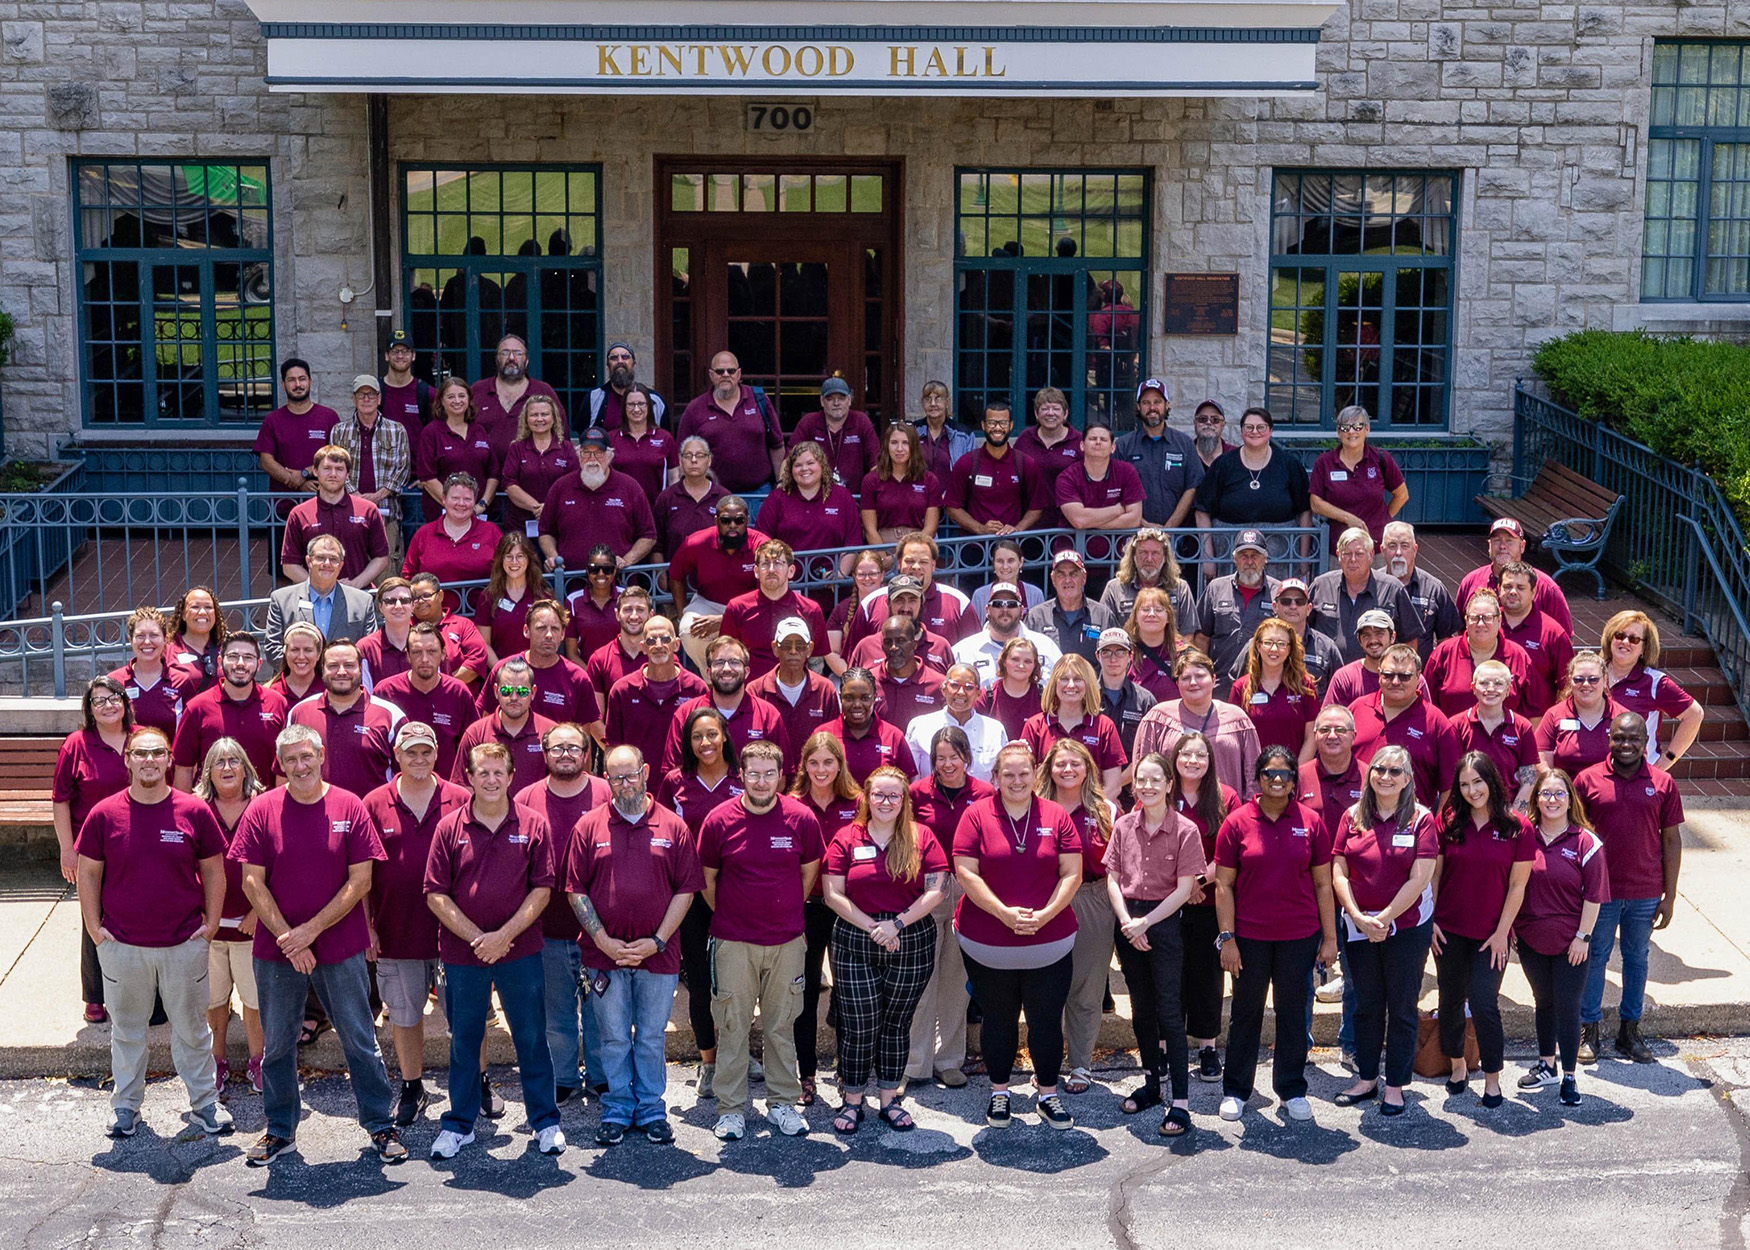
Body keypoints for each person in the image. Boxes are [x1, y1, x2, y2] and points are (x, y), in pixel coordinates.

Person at [233, 724, 402, 1165]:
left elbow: (361, 880)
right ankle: (279, 1130)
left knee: (359, 1039)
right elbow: (252, 881)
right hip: (278, 951)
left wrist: (309, 931)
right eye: (290, 760)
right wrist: (292, 939)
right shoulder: (262, 809)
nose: (299, 766)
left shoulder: (349, 805)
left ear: (321, 754)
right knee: (278, 1045)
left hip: (341, 946)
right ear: (280, 764)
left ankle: (380, 1126)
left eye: (306, 756)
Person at [76, 724, 231, 1139]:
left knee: (193, 1031)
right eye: (140, 753)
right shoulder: (104, 814)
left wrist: (211, 923)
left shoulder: (193, 811)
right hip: (123, 946)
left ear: (169, 760)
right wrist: (95, 928)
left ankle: (204, 1105)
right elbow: (88, 874)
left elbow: (214, 870)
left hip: (183, 944)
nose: (149, 761)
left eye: (157, 753)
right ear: (128, 759)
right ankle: (126, 1107)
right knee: (127, 1031)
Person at [424, 741, 565, 1159]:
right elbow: (435, 893)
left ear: (511, 776)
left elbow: (543, 889)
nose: (490, 780)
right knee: (465, 1039)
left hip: (520, 951)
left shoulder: (533, 823)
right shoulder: (449, 827)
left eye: (498, 773)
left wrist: (504, 936)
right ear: (469, 777)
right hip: (463, 954)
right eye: (482, 773)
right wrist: (478, 939)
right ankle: (460, 1124)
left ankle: (545, 1121)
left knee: (531, 1037)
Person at [565, 744, 700, 1145]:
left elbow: (686, 891)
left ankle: (651, 1108)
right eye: (616, 777)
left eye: (631, 775)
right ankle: (618, 1109)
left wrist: (657, 941)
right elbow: (576, 891)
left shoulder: (673, 827)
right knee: (614, 1036)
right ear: (607, 780)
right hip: (603, 956)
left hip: (659, 956)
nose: (625, 784)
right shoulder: (588, 827)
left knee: (651, 1036)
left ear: (645, 772)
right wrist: (603, 941)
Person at [953, 742, 1084, 1129]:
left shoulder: (1056, 815)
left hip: (1050, 940)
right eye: (1007, 774)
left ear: (1035, 774)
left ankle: (1047, 1095)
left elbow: (1071, 872)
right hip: (988, 942)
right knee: (999, 1019)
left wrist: (1044, 915)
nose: (1016, 780)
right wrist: (1004, 913)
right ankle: (999, 1092)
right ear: (995, 777)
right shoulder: (976, 815)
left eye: (1023, 773)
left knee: (1045, 1020)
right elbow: (966, 873)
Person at [698, 740, 824, 1140]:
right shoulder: (719, 820)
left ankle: (782, 1102)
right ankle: (732, 1108)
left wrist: (782, 912)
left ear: (781, 776)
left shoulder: (801, 819)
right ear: (742, 775)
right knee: (732, 1024)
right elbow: (707, 881)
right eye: (754, 773)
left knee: (781, 1024)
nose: (762, 780)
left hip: (787, 940)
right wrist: (737, 914)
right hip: (733, 940)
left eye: (769, 773)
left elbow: (808, 875)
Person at [1211, 746, 1338, 1123]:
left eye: (1285, 774)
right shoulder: (1236, 823)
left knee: (1293, 1015)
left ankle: (1292, 1088)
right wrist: (1227, 938)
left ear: (1294, 781)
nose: (1278, 780)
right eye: (1270, 773)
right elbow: (1223, 887)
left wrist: (1330, 939)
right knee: (1246, 1014)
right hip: (1249, 937)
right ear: (1258, 777)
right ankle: (1236, 1090)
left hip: (1299, 936)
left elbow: (1323, 885)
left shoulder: (1311, 822)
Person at [821, 766, 950, 1133]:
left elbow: (936, 889)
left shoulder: (921, 836)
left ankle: (890, 1099)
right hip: (855, 938)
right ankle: (852, 1100)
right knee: (860, 1023)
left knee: (896, 1023)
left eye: (894, 795)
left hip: (909, 935)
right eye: (879, 794)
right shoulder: (847, 838)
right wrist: (875, 928)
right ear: (866, 797)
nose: (886, 801)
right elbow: (832, 894)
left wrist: (895, 925)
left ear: (904, 800)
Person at [362, 722, 470, 1126]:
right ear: (397, 755)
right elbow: (362, 872)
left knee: (466, 1014)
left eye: (426, 751)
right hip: (396, 929)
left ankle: (476, 1080)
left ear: (437, 753)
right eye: (410, 752)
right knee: (405, 1015)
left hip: (455, 934)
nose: (419, 759)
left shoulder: (461, 798)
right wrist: (367, 926)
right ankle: (412, 1086)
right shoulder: (374, 802)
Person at [1331, 745, 1438, 1115]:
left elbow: (1421, 876)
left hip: (1406, 927)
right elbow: (1339, 870)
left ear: (1407, 779)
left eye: (1395, 772)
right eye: (1379, 769)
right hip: (1359, 926)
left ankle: (1395, 1084)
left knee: (1402, 1005)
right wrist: (1358, 916)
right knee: (1366, 1004)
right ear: (1370, 773)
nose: (1386, 777)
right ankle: (1366, 1078)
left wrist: (1386, 917)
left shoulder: (1421, 819)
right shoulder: (1352, 816)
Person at [1574, 712, 1684, 1065]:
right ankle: (1588, 1031)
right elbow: (1575, 837)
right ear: (1609, 739)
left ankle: (1629, 1031)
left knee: (1637, 959)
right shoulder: (1587, 780)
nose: (1626, 745)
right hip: (1600, 893)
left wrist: (1670, 894)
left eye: (1634, 739)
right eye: (1619, 738)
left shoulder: (1663, 783)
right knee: (1596, 959)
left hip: (1645, 892)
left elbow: (1671, 840)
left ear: (1647, 742)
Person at [1105, 752, 1205, 1133]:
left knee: (1168, 1011)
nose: (1146, 787)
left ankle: (1179, 1100)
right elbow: (1113, 878)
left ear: (1168, 785)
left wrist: (1146, 922)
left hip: (1163, 923)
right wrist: (1129, 922)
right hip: (1128, 920)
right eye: (1140, 781)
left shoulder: (1185, 830)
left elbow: (1184, 890)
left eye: (1154, 780)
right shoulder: (1123, 826)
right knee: (1142, 1010)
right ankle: (1152, 1083)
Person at [514, 723, 613, 1104]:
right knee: (556, 1015)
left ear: (588, 754)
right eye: (558, 748)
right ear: (545, 752)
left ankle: (602, 1076)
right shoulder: (525, 797)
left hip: (600, 929)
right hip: (547, 928)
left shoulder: (605, 792)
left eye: (574, 747)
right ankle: (565, 1078)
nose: (566, 754)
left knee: (599, 1012)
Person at [1433, 753, 1533, 1108]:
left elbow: (1518, 886)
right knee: (1449, 1000)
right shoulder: (1448, 822)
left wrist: (1502, 932)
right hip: (1449, 930)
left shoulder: (1517, 826)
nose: (1472, 790)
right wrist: (1431, 920)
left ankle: (1492, 1077)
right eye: (1464, 784)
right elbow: (1435, 875)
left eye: (1478, 782)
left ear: (1492, 782)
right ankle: (1458, 1065)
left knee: (1484, 1002)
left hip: (1492, 934)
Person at [905, 727, 994, 1089]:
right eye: (940, 757)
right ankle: (915, 1063)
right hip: (927, 886)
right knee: (922, 979)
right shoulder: (916, 794)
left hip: (968, 887)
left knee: (956, 979)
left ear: (966, 758)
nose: (946, 764)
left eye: (953, 757)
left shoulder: (985, 794)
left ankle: (949, 1059)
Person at [1514, 765, 1607, 1107]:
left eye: (1559, 793)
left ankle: (1569, 1076)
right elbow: (1513, 886)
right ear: (1536, 799)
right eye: (1545, 793)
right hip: (1530, 939)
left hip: (1572, 944)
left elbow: (1594, 895)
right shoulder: (1524, 836)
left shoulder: (1586, 842)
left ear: (1570, 800)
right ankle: (1546, 1065)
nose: (1552, 800)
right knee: (1544, 1002)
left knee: (1568, 1007)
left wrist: (1583, 936)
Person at [1034, 738, 1118, 1097]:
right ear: (1048, 769)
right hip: (1045, 899)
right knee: (1044, 989)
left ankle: (1081, 1062)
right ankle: (1046, 1062)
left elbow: (1116, 865)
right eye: (1060, 764)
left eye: (1076, 764)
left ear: (1089, 769)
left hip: (1093, 898)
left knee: (1087, 986)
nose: (1068, 770)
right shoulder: (1033, 809)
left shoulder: (1106, 811)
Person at [788, 732, 864, 1107]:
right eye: (813, 762)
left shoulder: (858, 803)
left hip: (849, 909)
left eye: (828, 763)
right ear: (804, 765)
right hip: (804, 907)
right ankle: (806, 1074)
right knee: (802, 994)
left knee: (849, 993)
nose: (821, 770)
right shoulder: (790, 804)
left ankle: (848, 1070)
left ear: (840, 765)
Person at [196, 738, 266, 1096]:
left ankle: (259, 1062)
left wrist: (259, 911)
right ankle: (216, 1062)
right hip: (209, 929)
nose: (226, 768)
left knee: (253, 1004)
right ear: (208, 770)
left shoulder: (262, 807)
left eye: (234, 761)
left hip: (250, 928)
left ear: (246, 768)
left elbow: (279, 866)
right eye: (219, 761)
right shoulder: (196, 809)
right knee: (215, 1002)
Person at [1173, 732, 1242, 1082]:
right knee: (1169, 974)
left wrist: (1197, 883)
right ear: (1175, 757)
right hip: (1167, 899)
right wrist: (1181, 888)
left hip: (1209, 896)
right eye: (1186, 754)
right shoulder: (1162, 791)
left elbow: (1229, 851)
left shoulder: (1225, 796)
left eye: (1200, 755)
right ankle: (1166, 1048)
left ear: (1210, 760)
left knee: (1207, 975)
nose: (1193, 761)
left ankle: (1207, 1048)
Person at [1134, 649, 1262, 801]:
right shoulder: (1157, 719)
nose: (1193, 683)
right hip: (1170, 815)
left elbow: (1253, 776)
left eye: (1200, 676)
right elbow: (1141, 771)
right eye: (1186, 678)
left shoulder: (1238, 721)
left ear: (1214, 680)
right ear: (1177, 683)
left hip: (1225, 813)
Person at [1349, 643, 1462, 810]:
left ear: (1418, 677)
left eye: (1404, 676)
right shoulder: (1357, 709)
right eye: (1388, 675)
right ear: (1379, 674)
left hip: (1411, 827)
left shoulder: (1437, 723)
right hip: (1360, 821)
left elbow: (1450, 787)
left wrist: (1435, 830)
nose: (1395, 682)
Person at [286, 640, 403, 798]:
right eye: (333, 666)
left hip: (369, 818)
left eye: (349, 665)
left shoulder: (390, 715)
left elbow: (405, 776)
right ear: (322, 669)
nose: (341, 672)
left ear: (360, 669)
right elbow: (284, 773)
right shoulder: (299, 713)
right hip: (312, 816)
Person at [172, 632, 288, 789]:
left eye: (248, 657)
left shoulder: (277, 704)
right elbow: (183, 769)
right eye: (233, 656)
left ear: (259, 664)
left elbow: (285, 767)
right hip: (211, 810)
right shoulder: (197, 708)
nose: (240, 663)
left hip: (264, 809)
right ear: (220, 661)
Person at [661, 635, 790, 772]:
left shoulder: (768, 715)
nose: (727, 668)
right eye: (719, 662)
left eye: (734, 662)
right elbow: (673, 772)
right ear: (708, 672)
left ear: (746, 672)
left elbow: (782, 776)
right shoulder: (686, 713)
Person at [477, 599, 602, 739]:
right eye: (541, 628)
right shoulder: (504, 671)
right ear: (526, 631)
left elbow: (582, 741)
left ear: (562, 634)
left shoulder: (578, 678)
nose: (548, 635)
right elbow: (484, 723)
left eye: (555, 629)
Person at [668, 496, 768, 670]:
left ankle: (748, 677)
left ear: (747, 520)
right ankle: (712, 680)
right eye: (725, 520)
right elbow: (676, 574)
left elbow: (766, 594)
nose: (732, 525)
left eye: (739, 520)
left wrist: (725, 619)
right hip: (708, 602)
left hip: (751, 607)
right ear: (716, 520)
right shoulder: (697, 542)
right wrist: (680, 613)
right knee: (688, 630)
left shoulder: (761, 546)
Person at [537, 427, 658, 572]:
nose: (592, 459)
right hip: (571, 582)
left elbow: (649, 535)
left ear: (609, 456)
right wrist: (553, 557)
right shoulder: (560, 487)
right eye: (586, 453)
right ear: (578, 455)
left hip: (618, 582)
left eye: (598, 453)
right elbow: (545, 532)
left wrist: (627, 559)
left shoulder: (630, 487)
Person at [279, 443, 394, 588]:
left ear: (347, 475)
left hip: (358, 595)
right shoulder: (299, 513)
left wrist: (356, 584)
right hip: (314, 598)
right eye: (327, 468)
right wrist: (320, 587)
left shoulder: (368, 510)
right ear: (315, 471)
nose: (333, 474)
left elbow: (381, 558)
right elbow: (289, 565)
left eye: (339, 469)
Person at [1600, 609, 1704, 768]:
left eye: (1634, 639)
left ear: (1643, 648)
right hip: (1595, 775)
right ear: (1610, 639)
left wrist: (1667, 760)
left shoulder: (1655, 682)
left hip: (1637, 776)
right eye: (1620, 635)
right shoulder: (1592, 674)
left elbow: (1695, 714)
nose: (1625, 642)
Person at [605, 615, 707, 777]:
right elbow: (612, 746)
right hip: (636, 786)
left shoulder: (696, 689)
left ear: (676, 644)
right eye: (652, 641)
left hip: (684, 785)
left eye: (665, 639)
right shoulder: (622, 690)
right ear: (643, 647)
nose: (659, 645)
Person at [372, 624, 477, 778]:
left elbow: (472, 748)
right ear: (407, 656)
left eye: (432, 651)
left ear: (443, 654)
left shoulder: (458, 692)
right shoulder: (386, 691)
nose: (425, 659)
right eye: (417, 652)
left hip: (446, 790)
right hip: (397, 789)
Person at [1309, 528, 1425, 666]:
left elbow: (1410, 640)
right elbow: (1303, 630)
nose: (1353, 559)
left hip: (1377, 679)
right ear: (1339, 556)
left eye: (1359, 554)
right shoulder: (1321, 586)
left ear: (1370, 555)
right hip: (1327, 676)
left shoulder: (1392, 589)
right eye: (1347, 554)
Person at [844, 531, 974, 651]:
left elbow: (973, 654)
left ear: (933, 565)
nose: (916, 567)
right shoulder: (871, 603)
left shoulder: (958, 603)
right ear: (899, 563)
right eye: (910, 561)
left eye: (923, 562)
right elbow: (856, 658)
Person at [676, 351, 786, 493]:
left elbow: (776, 446)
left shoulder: (759, 400)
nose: (726, 375)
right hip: (712, 494)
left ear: (738, 374)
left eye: (731, 371)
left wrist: (781, 485)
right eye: (720, 371)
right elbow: (682, 453)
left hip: (759, 493)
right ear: (711, 375)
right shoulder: (695, 408)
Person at [265, 535, 380, 668]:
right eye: (320, 558)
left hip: (344, 682)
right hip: (296, 683)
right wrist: (306, 674)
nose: (327, 563)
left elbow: (369, 650)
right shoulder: (282, 599)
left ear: (341, 565)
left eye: (333, 559)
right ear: (308, 561)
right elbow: (273, 650)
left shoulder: (362, 602)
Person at [721, 539, 830, 679]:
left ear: (791, 571)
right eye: (765, 564)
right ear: (756, 571)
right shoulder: (737, 608)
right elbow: (727, 654)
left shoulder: (810, 610)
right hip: (749, 692)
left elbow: (816, 661)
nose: (771, 569)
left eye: (778, 563)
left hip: (795, 691)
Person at [1192, 406, 1312, 531]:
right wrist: (1208, 551)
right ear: (1242, 431)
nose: (1254, 431)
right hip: (1230, 546)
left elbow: (1305, 510)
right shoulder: (1223, 464)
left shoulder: (1289, 464)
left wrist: (1303, 551)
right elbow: (1202, 511)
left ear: (1271, 431)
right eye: (1249, 427)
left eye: (1261, 427)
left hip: (1280, 545)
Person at [1308, 405, 1408, 555]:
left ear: (1367, 429)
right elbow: (1315, 504)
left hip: (1375, 547)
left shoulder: (1381, 459)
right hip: (1339, 548)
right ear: (1338, 432)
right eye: (1345, 427)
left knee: (1378, 579)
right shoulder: (1324, 462)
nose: (1351, 431)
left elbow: (1402, 495)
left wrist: (1383, 519)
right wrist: (1348, 519)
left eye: (1357, 426)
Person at [329, 376, 412, 555]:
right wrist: (357, 496)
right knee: (350, 567)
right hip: (347, 514)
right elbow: (334, 468)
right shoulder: (339, 431)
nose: (366, 399)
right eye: (361, 394)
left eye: (371, 395)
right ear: (353, 398)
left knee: (386, 571)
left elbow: (403, 469)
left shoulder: (396, 430)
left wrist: (377, 496)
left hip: (387, 513)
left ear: (379, 398)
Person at [1024, 655, 1127, 798]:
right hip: (1046, 814)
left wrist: (1088, 813)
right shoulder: (1035, 725)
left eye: (1078, 679)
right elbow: (1025, 779)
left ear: (1088, 684)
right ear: (1054, 683)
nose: (1071, 685)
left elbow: (1113, 786)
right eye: (1064, 679)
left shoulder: (1104, 726)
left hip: (1091, 815)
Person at [452, 656, 556, 794]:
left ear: (533, 692)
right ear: (495, 691)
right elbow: (462, 788)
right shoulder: (476, 733)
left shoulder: (551, 733)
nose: (513, 697)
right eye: (506, 691)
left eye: (522, 691)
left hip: (537, 815)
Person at [757, 440, 862, 577]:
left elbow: (852, 542)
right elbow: (762, 542)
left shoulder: (842, 497)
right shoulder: (777, 499)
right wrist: (778, 575)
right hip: (788, 584)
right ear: (790, 470)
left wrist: (839, 574)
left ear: (822, 465)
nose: (804, 469)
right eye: (798, 465)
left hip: (831, 585)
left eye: (810, 463)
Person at [1423, 589, 1534, 716]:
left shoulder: (1518, 656)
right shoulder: (1443, 654)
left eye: (1487, 618)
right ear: (1466, 621)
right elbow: (1426, 708)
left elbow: (1533, 713)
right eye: (1474, 618)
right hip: (1451, 735)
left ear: (1499, 621)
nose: (1480, 624)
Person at [945, 401, 1049, 535]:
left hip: (1012, 547)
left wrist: (1018, 529)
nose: (997, 428)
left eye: (1003, 423)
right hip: (974, 546)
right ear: (983, 425)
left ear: (1011, 425)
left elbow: (1036, 507)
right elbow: (952, 507)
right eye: (992, 423)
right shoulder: (966, 463)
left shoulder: (1025, 463)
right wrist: (980, 528)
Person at [1233, 576, 1346, 698]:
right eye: (1286, 601)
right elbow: (1237, 684)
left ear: (1309, 609)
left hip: (1313, 716)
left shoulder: (1326, 648)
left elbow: (1340, 691)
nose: (1293, 606)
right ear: (1275, 606)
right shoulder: (1256, 644)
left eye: (1300, 601)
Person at [1456, 517, 1574, 634]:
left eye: (1509, 540)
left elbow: (1564, 637)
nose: (1502, 546)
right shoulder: (1470, 581)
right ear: (1489, 545)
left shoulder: (1546, 587)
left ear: (1522, 546)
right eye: (1497, 540)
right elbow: (1460, 631)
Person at [1115, 378, 1203, 529]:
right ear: (1138, 407)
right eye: (1146, 403)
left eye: (1157, 402)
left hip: (1175, 537)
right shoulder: (1123, 446)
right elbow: (1115, 490)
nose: (1152, 407)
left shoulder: (1184, 444)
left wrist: (1169, 528)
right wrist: (1144, 526)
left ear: (1167, 405)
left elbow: (1192, 487)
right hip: (1132, 534)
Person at [1192, 529, 1281, 676]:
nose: (1249, 562)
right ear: (1235, 559)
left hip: (1261, 682)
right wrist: (1203, 673)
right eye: (1243, 556)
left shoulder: (1278, 592)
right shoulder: (1216, 588)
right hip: (1220, 681)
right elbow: (1202, 638)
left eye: (1255, 556)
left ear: (1265, 558)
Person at [1451, 661, 1539, 808]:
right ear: (1473, 688)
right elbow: (1451, 777)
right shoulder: (1456, 725)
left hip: (1509, 810)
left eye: (1498, 684)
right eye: (1484, 683)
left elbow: (1529, 781)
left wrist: (1513, 817)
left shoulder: (1523, 727)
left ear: (1508, 689)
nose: (1491, 689)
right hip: (1466, 811)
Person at [415, 376, 500, 524]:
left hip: (478, 513)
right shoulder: (431, 432)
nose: (457, 401)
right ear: (441, 401)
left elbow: (493, 473)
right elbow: (427, 478)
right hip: (441, 513)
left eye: (462, 396)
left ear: (469, 399)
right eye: (450, 396)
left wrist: (482, 504)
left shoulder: (479, 430)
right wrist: (456, 506)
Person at [1230, 618, 1319, 758]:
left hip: (1293, 774)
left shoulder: (1305, 686)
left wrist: (1297, 774)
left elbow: (1311, 737)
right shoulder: (1241, 687)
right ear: (1258, 646)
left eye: (1281, 644)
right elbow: (1235, 738)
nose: (1274, 649)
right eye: (1268, 643)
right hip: (1253, 774)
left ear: (1289, 649)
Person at [108, 605, 200, 740]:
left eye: (154, 635)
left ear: (165, 639)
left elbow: (192, 732)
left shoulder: (181, 682)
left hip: (169, 760)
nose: (147, 642)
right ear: (130, 640)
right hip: (124, 760)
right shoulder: (114, 682)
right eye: (140, 636)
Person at [255, 358, 341, 500]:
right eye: (291, 380)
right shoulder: (272, 420)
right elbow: (266, 461)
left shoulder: (328, 417)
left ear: (310, 382)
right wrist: (296, 483)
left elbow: (337, 457)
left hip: (322, 500)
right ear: (283, 385)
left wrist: (304, 473)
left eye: (302, 379)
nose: (298, 385)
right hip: (282, 505)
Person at [471, 334, 568, 460]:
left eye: (518, 353)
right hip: (483, 476)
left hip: (529, 476)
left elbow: (562, 434)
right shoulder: (478, 390)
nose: (511, 358)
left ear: (526, 360)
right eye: (505, 353)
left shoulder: (543, 391)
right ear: (497, 359)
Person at [1498, 560, 1574, 719]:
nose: (1512, 592)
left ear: (1533, 592)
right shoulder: (1486, 625)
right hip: (1490, 722)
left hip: (1535, 723)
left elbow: (1567, 687)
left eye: (1520, 588)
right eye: (1507, 586)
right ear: (1498, 589)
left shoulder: (1553, 634)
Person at [1056, 423, 1144, 559]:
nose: (1098, 442)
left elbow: (1134, 519)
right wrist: (1118, 509)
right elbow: (1079, 520)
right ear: (1082, 446)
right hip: (1073, 561)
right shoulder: (1067, 477)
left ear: (1113, 447)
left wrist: (1090, 523)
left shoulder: (1127, 471)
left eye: (1103, 440)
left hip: (1116, 559)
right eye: (1092, 439)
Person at [905, 662, 1006, 781]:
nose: (961, 692)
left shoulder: (994, 729)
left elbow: (1000, 779)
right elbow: (910, 778)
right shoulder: (920, 726)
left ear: (978, 694)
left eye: (968, 687)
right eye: (954, 685)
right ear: (943, 689)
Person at [401, 473, 503, 588]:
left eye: (467, 499)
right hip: (434, 605)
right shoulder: (424, 533)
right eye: (455, 498)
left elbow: (505, 571)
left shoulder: (491, 531)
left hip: (480, 605)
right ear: (444, 499)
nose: (461, 504)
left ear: (475, 501)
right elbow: (408, 575)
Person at [953, 582, 1063, 687]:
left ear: (1021, 610)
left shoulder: (1046, 647)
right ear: (987, 610)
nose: (1005, 610)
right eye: (998, 604)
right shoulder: (964, 651)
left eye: (1011, 604)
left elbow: (1063, 684)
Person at [1381, 521, 1464, 660]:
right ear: (1383, 551)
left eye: (1405, 546)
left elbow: (1446, 641)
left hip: (1421, 676)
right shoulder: (1372, 585)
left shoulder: (1434, 589)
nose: (1398, 552)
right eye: (1392, 546)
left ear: (1415, 550)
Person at [1536, 651, 1625, 777]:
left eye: (1593, 679)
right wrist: (1556, 784)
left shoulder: (1622, 717)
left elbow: (1636, 758)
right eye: (1579, 679)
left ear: (1605, 680)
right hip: (1567, 793)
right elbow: (1541, 757)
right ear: (1570, 680)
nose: (1586, 684)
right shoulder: (1554, 715)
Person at [499, 393, 576, 536]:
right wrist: (537, 508)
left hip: (559, 524)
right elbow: (509, 483)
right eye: (534, 415)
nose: (539, 419)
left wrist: (549, 509)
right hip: (521, 525)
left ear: (554, 418)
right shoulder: (517, 448)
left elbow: (573, 484)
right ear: (526, 419)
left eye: (545, 414)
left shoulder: (566, 448)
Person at [824, 668, 918, 785]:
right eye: (849, 698)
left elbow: (908, 783)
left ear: (874, 697)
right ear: (840, 697)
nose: (857, 704)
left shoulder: (893, 736)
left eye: (864, 698)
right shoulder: (824, 735)